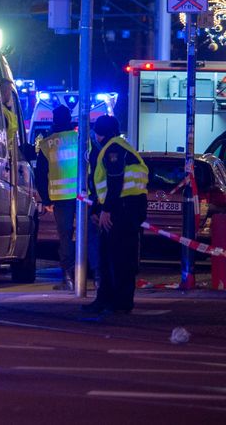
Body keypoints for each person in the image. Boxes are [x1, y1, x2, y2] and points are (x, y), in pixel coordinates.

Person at [83, 115, 149, 315]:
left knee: (117, 258)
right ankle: (110, 300)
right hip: (126, 208)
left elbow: (115, 182)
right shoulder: (121, 146)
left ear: (99, 132)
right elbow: (104, 187)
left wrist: (106, 210)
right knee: (113, 257)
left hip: (121, 209)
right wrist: (97, 208)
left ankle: (117, 302)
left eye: (96, 131)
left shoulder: (113, 149)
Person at [35, 105, 79, 290]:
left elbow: (40, 175)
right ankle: (97, 275)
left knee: (66, 237)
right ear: (70, 119)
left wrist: (46, 200)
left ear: (54, 120)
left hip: (60, 198)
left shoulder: (47, 144)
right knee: (89, 236)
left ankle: (68, 278)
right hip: (83, 196)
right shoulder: (80, 139)